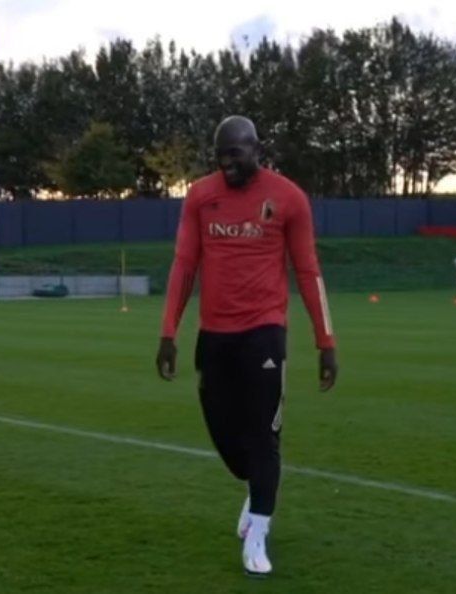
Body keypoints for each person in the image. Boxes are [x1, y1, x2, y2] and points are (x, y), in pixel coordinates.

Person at [156, 116, 338, 577]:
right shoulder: (201, 196)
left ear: (258, 148)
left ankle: (258, 530)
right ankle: (254, 485)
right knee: (229, 442)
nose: (226, 163)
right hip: (215, 335)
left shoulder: (289, 198)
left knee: (263, 436)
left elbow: (308, 271)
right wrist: (168, 333)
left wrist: (326, 342)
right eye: (220, 155)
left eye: (235, 154)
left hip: (264, 331)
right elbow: (184, 264)